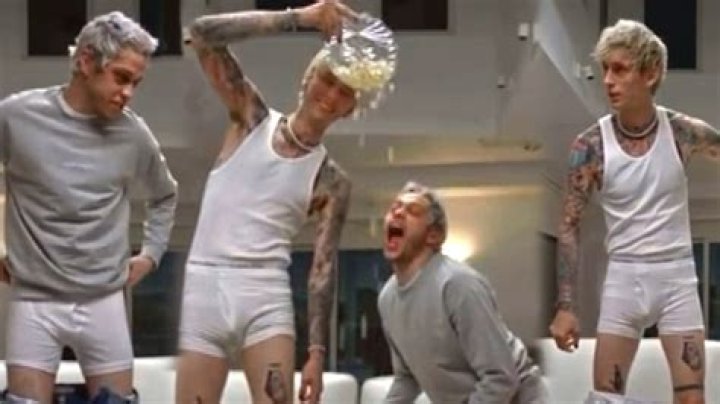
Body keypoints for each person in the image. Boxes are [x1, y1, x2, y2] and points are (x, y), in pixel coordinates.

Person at [176, 1, 394, 403]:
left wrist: (317, 353)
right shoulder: (252, 118)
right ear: (308, 79)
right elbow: (202, 32)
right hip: (206, 282)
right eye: (327, 80)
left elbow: (322, 269)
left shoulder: (331, 181)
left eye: (345, 92)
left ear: (350, 108)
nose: (331, 95)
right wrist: (301, 18)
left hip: (265, 292)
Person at [0, 11, 178, 404]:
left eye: (136, 83)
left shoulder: (133, 134)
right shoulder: (15, 116)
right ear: (85, 62)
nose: (128, 92)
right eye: (121, 77)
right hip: (34, 299)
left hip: (104, 300)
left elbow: (165, 195)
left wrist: (151, 254)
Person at [549, 19, 716, 404]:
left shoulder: (682, 132)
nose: (608, 81)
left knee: (692, 399)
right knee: (604, 400)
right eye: (605, 69)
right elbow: (570, 225)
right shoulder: (590, 146)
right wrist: (566, 306)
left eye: (620, 70)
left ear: (650, 73)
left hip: (676, 277)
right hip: (624, 277)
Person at [377, 182, 546, 404]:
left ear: (433, 236)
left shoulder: (458, 284)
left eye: (413, 210)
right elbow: (407, 378)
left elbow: (500, 378)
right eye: (394, 207)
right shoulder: (387, 298)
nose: (398, 212)